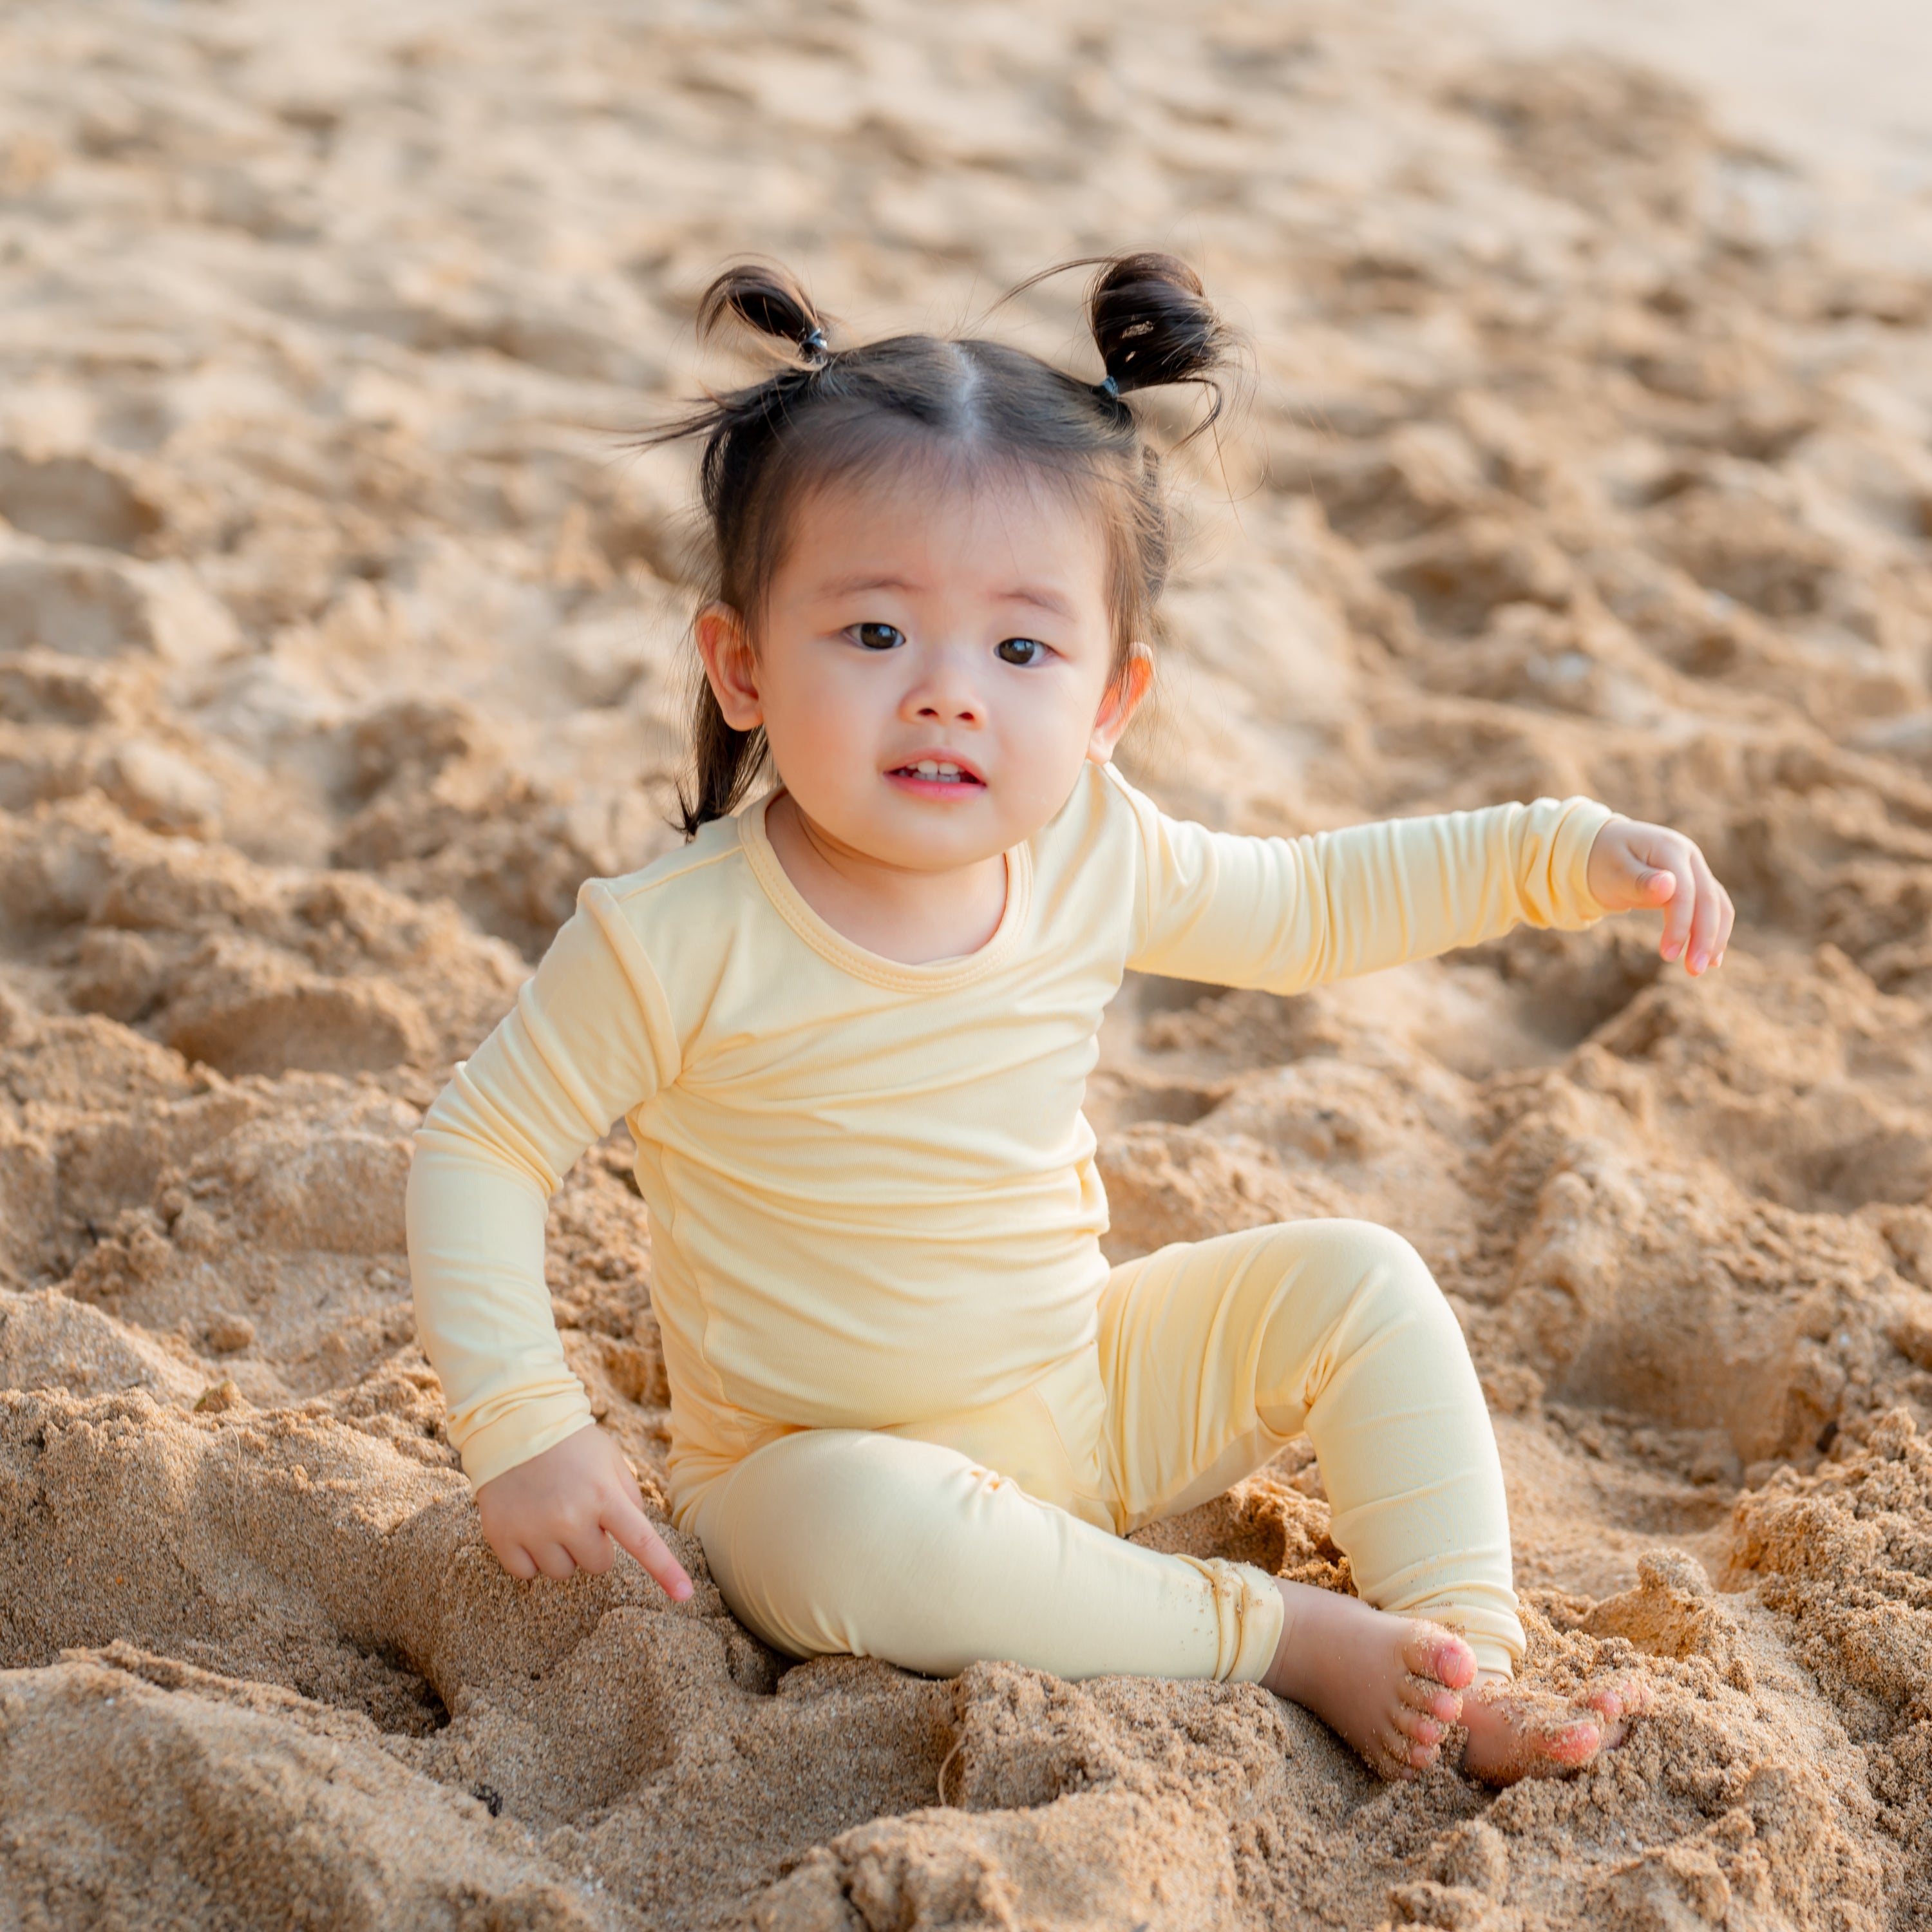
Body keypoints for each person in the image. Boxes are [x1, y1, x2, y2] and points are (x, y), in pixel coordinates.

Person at [406, 254, 1732, 1784]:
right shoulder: (674, 940)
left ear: (1111, 700)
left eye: (1022, 648)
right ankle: (1280, 1636)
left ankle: (1463, 1658)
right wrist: (524, 1427)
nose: (950, 694)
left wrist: (1560, 855)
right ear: (745, 664)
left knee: (1358, 1283)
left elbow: (1307, 909)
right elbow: (483, 1145)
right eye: (876, 635)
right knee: (849, 1534)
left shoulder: (1091, 845)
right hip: (817, 1470)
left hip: (1085, 1393)